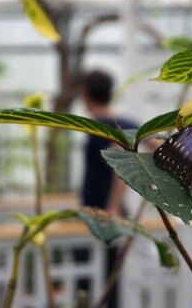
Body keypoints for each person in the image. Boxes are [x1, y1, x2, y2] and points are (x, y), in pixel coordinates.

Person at [77, 69, 138, 308]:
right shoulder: (126, 122)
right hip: (110, 209)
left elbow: (120, 157)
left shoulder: (100, 126)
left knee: (93, 280)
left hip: (101, 212)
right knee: (111, 276)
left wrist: (112, 206)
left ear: (85, 93)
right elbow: (156, 146)